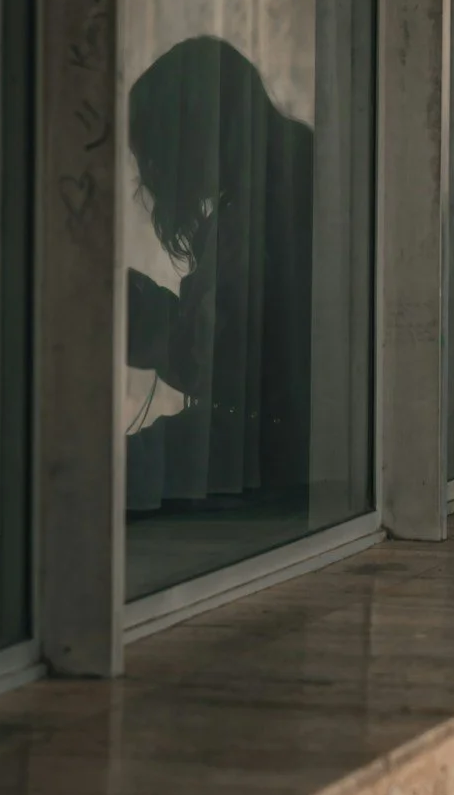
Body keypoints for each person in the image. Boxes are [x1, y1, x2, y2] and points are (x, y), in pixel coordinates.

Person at [125, 35, 314, 513]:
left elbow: (225, 365)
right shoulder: (292, 170)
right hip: (289, 450)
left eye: (153, 155)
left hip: (272, 458)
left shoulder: (256, 214)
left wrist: (138, 318)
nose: (149, 177)